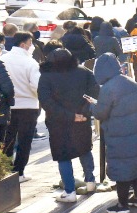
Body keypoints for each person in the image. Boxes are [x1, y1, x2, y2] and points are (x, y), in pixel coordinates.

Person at [89, 52, 137, 213]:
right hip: (136, 131)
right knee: (136, 164)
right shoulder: (130, 82)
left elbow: (101, 113)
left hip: (119, 133)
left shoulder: (108, 88)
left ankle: (122, 205)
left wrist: (92, 106)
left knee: (122, 166)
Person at [38, 49, 99, 202]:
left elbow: (47, 102)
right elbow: (95, 91)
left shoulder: (46, 77)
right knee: (84, 149)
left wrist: (70, 116)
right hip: (82, 119)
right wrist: (83, 112)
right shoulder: (83, 71)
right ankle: (91, 181)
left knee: (63, 155)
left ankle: (69, 191)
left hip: (59, 122)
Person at [0, 32, 40, 183]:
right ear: (23, 44)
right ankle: (19, 171)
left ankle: (4, 170)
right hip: (29, 106)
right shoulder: (31, 63)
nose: (31, 46)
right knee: (25, 140)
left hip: (9, 106)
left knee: (8, 139)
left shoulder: (3, 60)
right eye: (30, 43)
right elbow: (36, 86)